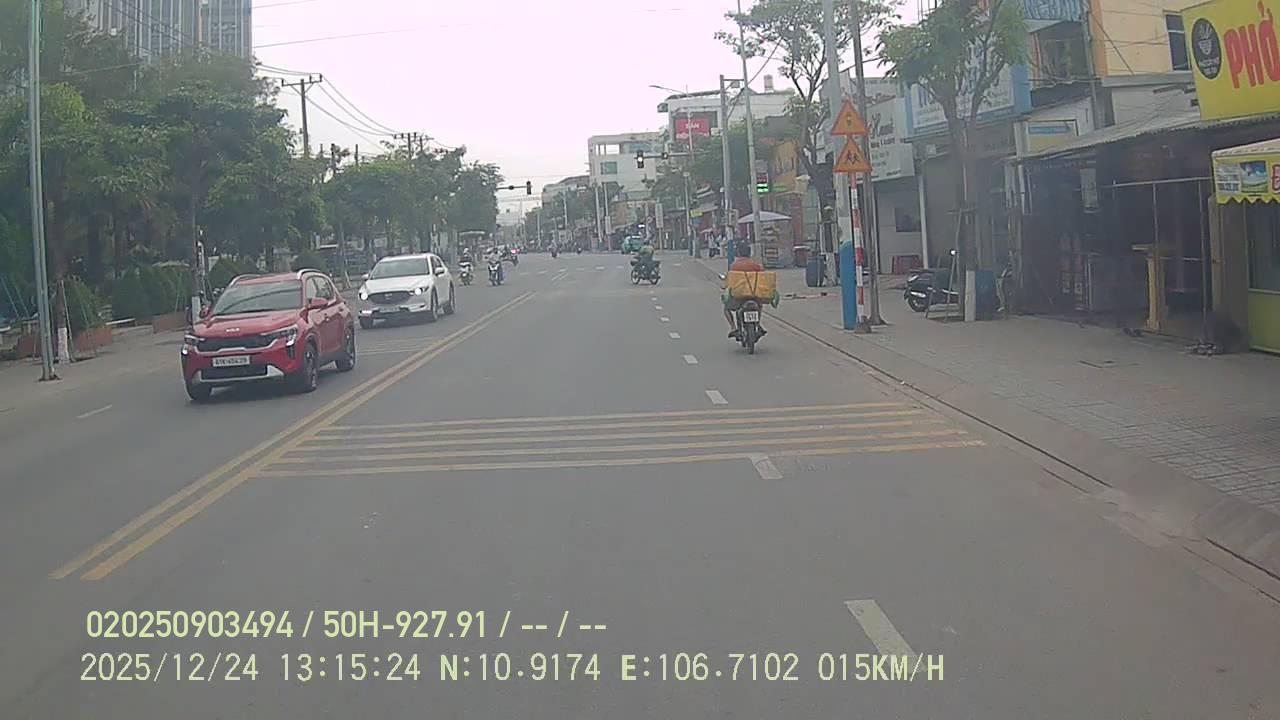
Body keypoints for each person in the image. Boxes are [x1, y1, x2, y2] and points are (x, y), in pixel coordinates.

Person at [723, 242, 773, 339]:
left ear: (738, 253)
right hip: (753, 294)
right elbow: (762, 277)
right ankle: (757, 324)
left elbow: (730, 281)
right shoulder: (755, 265)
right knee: (759, 306)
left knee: (726, 308)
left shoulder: (734, 266)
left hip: (739, 296)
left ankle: (733, 328)